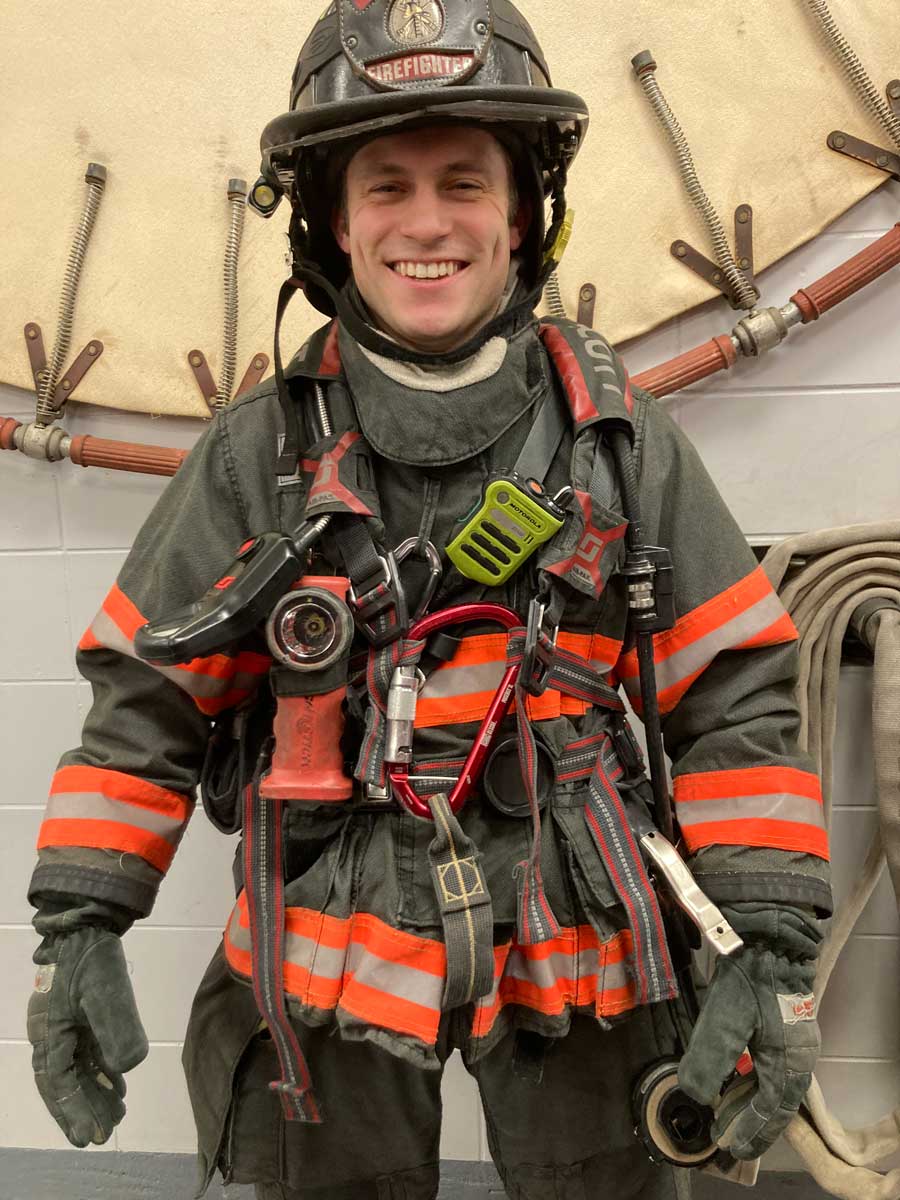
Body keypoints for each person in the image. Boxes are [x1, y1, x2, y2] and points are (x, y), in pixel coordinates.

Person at [26, 3, 831, 1198]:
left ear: (521, 215)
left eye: (464, 180)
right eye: (385, 185)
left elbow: (735, 698)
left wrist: (771, 947)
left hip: (581, 922)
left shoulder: (622, 444)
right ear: (334, 226)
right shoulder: (257, 459)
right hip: (325, 933)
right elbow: (144, 705)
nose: (426, 222)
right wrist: (74, 933)